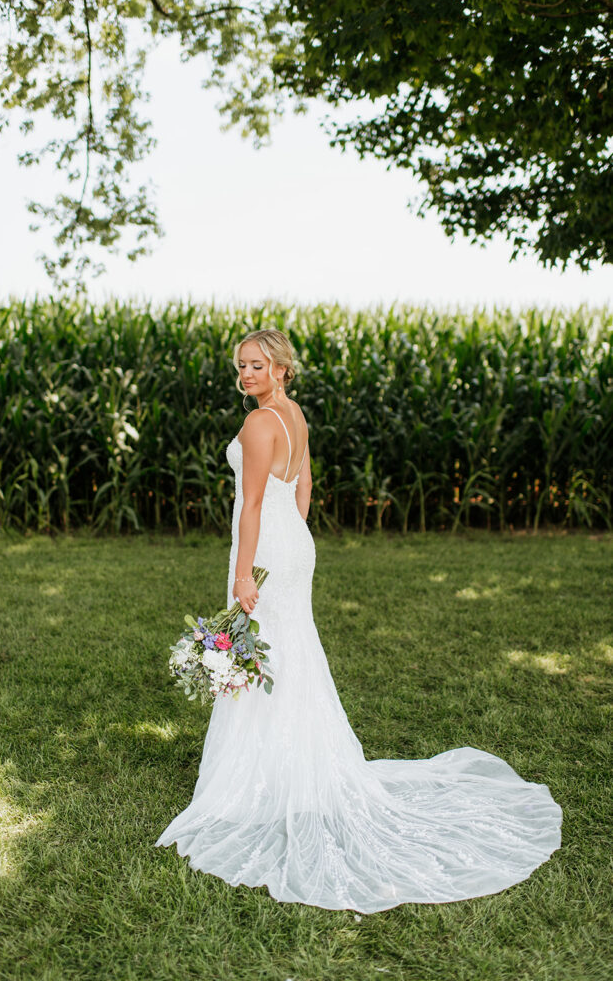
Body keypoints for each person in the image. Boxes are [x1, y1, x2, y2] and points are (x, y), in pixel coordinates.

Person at [155, 328, 562, 912]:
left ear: (279, 368)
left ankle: (259, 779)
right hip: (294, 543)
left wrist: (245, 574)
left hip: (266, 548)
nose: (244, 374)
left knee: (265, 651)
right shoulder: (294, 416)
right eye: (239, 365)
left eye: (255, 365)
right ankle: (297, 765)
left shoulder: (257, 424)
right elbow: (303, 487)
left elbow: (248, 505)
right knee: (289, 650)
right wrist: (291, 534)